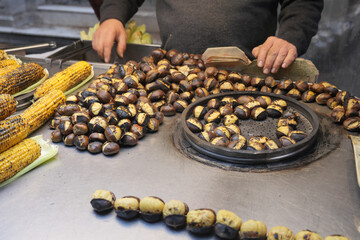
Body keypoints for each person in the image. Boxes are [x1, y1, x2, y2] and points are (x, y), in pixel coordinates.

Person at [92, 0, 323, 74]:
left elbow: (303, 2)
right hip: (173, 77)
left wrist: (291, 36)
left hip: (250, 78)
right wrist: (113, 15)